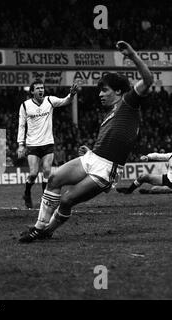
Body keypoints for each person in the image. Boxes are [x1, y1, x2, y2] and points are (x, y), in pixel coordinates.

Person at [19, 40, 153, 243]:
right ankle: (39, 227)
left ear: (118, 91)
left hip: (106, 168)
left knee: (67, 200)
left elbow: (148, 79)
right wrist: (91, 151)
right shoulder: (112, 112)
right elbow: (114, 140)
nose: (100, 94)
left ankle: (47, 230)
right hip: (93, 157)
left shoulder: (128, 102)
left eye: (105, 90)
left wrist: (132, 55)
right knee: (54, 179)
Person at [17, 81, 79, 209]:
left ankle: (44, 200)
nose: (41, 90)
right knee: (33, 173)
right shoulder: (25, 105)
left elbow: (65, 101)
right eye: (38, 88)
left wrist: (71, 95)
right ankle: (27, 193)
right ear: (32, 92)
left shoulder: (50, 100)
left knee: (46, 171)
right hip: (32, 144)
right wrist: (21, 144)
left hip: (47, 143)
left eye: (42, 88)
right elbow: (21, 125)